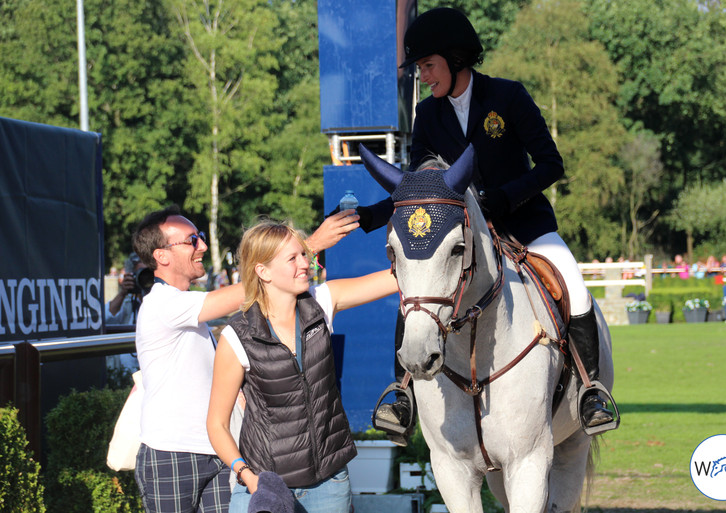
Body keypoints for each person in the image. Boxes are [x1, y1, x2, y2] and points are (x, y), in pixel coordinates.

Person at [360, 7, 615, 441]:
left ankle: (591, 391)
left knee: (572, 282)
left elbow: (551, 164)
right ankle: (402, 395)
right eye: (419, 68)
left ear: (455, 59)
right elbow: (420, 187)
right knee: (418, 294)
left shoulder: (508, 97)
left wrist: (502, 197)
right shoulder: (428, 115)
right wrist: (370, 217)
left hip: (523, 224)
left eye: (427, 65)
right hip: (460, 233)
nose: (423, 77)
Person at [131, 206, 360, 513]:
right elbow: (257, 289)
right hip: (173, 453)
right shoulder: (161, 305)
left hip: (220, 451)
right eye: (192, 239)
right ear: (162, 256)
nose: (202, 246)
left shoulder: (188, 306)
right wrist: (308, 246)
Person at [206, 221, 398, 513]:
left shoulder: (322, 303)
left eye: (303, 255)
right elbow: (216, 424)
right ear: (263, 271)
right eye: (292, 258)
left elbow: (396, 278)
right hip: (266, 487)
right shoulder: (237, 336)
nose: (305, 264)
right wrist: (248, 476)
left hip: (329, 484)